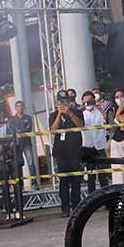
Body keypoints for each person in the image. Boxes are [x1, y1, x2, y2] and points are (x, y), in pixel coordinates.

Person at [50, 90, 84, 218]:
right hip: (61, 152)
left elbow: (80, 125)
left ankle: (76, 207)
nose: (62, 103)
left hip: (75, 151)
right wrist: (60, 114)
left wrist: (69, 113)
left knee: (76, 181)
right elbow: (53, 130)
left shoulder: (77, 112)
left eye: (64, 101)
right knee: (63, 181)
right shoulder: (54, 115)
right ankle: (65, 209)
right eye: (60, 101)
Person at [80, 91, 110, 194]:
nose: (88, 103)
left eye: (90, 101)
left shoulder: (99, 112)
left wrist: (99, 107)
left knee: (103, 176)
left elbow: (106, 119)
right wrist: (81, 108)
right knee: (91, 177)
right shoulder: (82, 114)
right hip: (88, 148)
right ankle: (91, 200)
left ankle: (106, 200)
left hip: (100, 146)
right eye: (86, 102)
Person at [9, 101, 38, 189]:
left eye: (21, 106)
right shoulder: (12, 119)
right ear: (15, 107)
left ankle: (34, 183)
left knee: (31, 163)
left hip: (27, 143)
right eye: (18, 106)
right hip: (17, 144)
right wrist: (21, 130)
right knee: (18, 164)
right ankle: (19, 185)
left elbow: (28, 128)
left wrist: (20, 130)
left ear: (24, 107)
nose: (20, 108)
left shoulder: (28, 117)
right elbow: (12, 130)